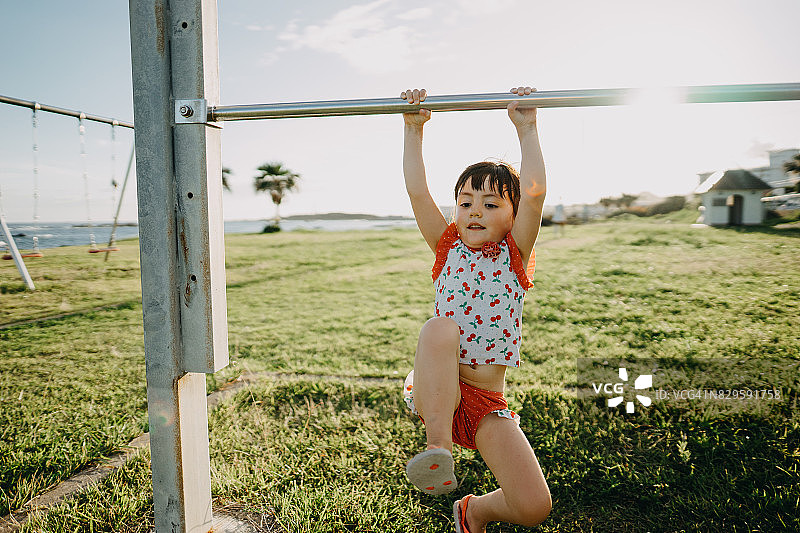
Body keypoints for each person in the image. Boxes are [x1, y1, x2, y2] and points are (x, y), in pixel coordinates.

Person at [400, 87, 551, 532]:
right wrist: (413, 130)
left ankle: (474, 510)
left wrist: (527, 127)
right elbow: (416, 191)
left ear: (513, 213)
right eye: (465, 202)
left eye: (491, 203)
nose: (474, 211)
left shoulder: (514, 255)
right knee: (440, 329)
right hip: (438, 389)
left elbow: (537, 193)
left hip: (484, 403)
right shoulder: (447, 248)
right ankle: (437, 449)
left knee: (533, 507)